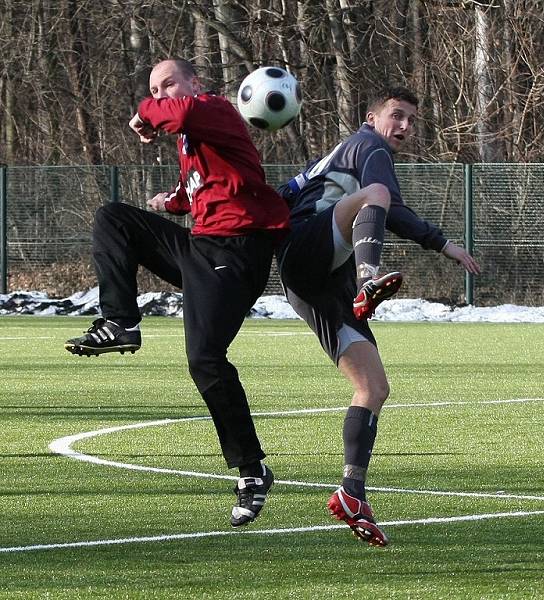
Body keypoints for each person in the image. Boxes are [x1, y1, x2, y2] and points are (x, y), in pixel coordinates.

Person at [64, 58, 290, 527]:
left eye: (169, 84)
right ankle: (121, 321)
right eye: (154, 87)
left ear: (193, 84)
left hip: (237, 252)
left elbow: (178, 115)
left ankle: (252, 471)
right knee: (113, 218)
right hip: (201, 248)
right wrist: (171, 201)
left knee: (205, 360)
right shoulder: (193, 139)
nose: (162, 92)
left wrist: (145, 113)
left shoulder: (212, 108)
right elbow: (203, 190)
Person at [277, 86, 480, 546]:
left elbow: (284, 193)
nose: (404, 126)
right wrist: (444, 244)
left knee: (373, 387)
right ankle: (370, 276)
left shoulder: (338, 154)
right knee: (375, 192)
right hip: (309, 249)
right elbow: (386, 203)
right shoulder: (369, 146)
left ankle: (351, 491)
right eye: (397, 115)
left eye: (411, 119)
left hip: (315, 280)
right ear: (371, 117)